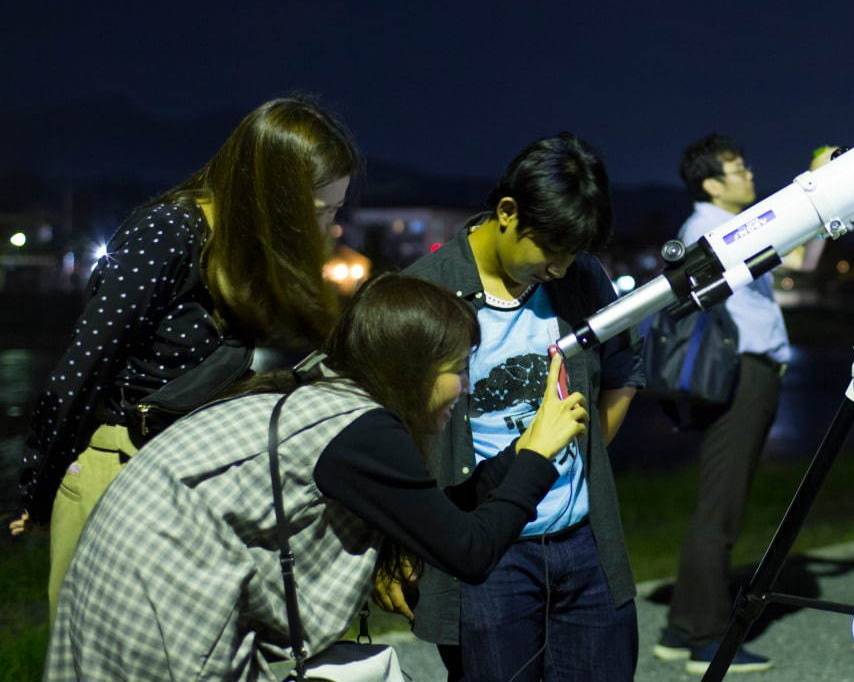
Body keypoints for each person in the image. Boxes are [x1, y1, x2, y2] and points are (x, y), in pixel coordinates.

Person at [45, 274, 587, 680]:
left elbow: (431, 515)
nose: (466, 387)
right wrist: (538, 460)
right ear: (413, 367)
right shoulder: (360, 429)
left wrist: (520, 451)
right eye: (459, 369)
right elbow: (468, 552)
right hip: (158, 609)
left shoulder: (326, 392)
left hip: (131, 584)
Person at [10, 95, 361, 616]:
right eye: (318, 211)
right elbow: (82, 368)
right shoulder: (168, 231)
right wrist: (37, 491)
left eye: (335, 210)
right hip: (120, 473)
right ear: (267, 191)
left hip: (184, 483)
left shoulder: (239, 248)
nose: (326, 227)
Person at [401, 133, 643, 681]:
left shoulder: (581, 278)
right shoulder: (425, 291)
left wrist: (587, 452)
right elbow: (392, 428)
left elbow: (626, 372)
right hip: (489, 553)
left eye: (571, 257)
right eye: (549, 254)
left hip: (585, 543)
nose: (557, 270)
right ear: (508, 212)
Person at [653, 133, 790, 673]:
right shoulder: (712, 230)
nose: (749, 175)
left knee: (718, 499)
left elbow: (795, 254)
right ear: (711, 183)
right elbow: (795, 245)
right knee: (721, 508)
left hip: (745, 374)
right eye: (737, 168)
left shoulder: (715, 228)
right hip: (742, 376)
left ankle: (679, 627)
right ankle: (707, 640)